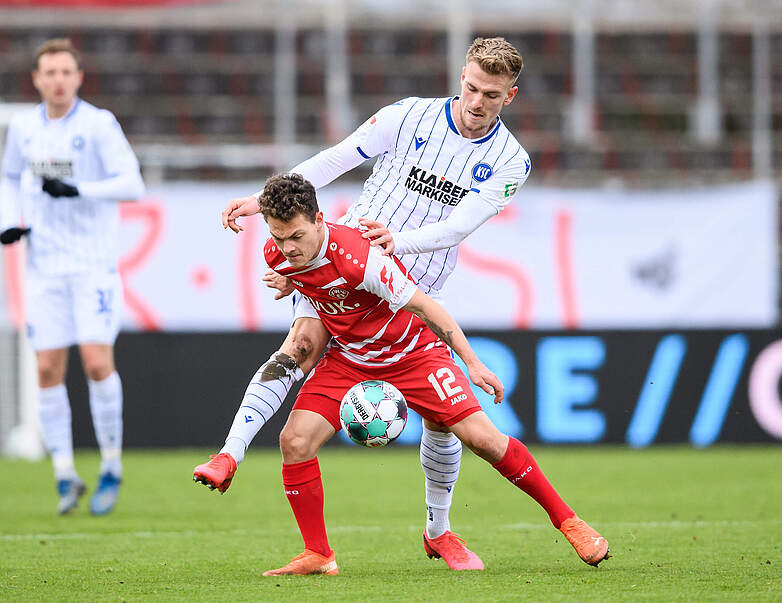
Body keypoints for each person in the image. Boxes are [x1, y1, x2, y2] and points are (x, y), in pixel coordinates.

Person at [194, 37, 539, 570]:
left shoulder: (511, 161)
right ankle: (228, 455)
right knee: (301, 345)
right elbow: (338, 157)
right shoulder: (407, 116)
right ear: (461, 76)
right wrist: (264, 199)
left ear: (509, 96)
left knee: (443, 421)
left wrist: (397, 242)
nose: (476, 101)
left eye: (490, 95)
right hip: (341, 263)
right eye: (471, 87)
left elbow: (460, 226)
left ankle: (439, 530)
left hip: (410, 286)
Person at [232, 173, 608, 576]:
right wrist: (291, 278)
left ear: (320, 220)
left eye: (296, 237)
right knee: (295, 440)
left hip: (414, 353)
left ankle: (568, 521)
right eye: (279, 238)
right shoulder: (280, 253)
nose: (288, 247)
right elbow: (315, 278)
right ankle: (318, 554)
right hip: (350, 358)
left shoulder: (361, 254)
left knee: (483, 439)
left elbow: (428, 308)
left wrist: (473, 363)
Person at [0, 38, 145, 515]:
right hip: (43, 268)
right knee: (46, 368)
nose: (58, 80)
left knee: (97, 363)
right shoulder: (22, 127)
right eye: (50, 72)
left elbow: (133, 184)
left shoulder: (98, 125)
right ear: (37, 79)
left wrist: (78, 189)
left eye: (66, 72)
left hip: (92, 266)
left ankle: (111, 465)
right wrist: (9, 221)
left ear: (78, 78)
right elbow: (8, 179)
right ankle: (64, 473)